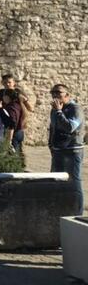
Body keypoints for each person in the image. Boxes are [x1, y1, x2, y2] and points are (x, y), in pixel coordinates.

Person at [49, 84, 84, 215]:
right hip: (58, 150)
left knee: (74, 182)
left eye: (58, 93)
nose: (55, 96)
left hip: (72, 150)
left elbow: (70, 127)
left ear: (67, 95)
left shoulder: (75, 109)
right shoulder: (55, 109)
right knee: (56, 180)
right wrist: (50, 145)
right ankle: (60, 209)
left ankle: (77, 211)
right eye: (53, 93)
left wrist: (59, 111)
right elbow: (53, 128)